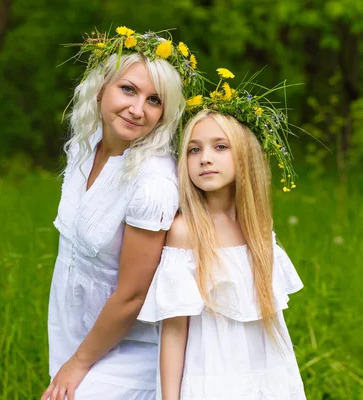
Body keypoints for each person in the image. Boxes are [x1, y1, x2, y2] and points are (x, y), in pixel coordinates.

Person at [42, 28, 203, 400]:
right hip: (76, 328)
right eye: (128, 89)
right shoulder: (85, 146)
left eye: (154, 100)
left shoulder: (153, 182)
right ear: (101, 88)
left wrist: (79, 364)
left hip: (134, 343)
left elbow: (132, 295)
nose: (137, 109)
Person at [138, 70, 307, 399]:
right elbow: (174, 331)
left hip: (265, 373)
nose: (206, 159)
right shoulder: (185, 232)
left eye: (220, 147)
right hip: (210, 375)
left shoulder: (257, 228)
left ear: (244, 156)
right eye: (194, 150)